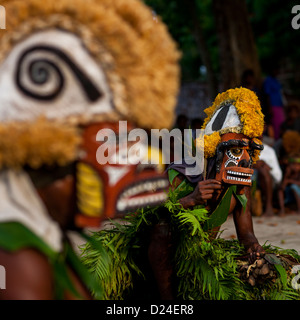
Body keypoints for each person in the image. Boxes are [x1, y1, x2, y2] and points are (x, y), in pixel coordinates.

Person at [0, 0, 180, 300]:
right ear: (48, 163)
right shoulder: (19, 262)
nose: (102, 207)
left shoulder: (42, 235)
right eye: (92, 174)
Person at [278, 131, 300, 216]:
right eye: (292, 165)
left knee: (294, 187)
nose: (294, 167)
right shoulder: (289, 171)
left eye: (296, 165)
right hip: (290, 194)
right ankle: (282, 210)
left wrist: (289, 181)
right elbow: (283, 185)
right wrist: (287, 175)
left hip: (297, 191)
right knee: (280, 189)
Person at [262, 66, 286, 140]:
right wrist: (270, 108)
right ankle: (277, 140)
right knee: (276, 125)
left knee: (282, 123)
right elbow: (267, 95)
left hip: (279, 105)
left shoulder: (276, 80)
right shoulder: (268, 80)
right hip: (273, 106)